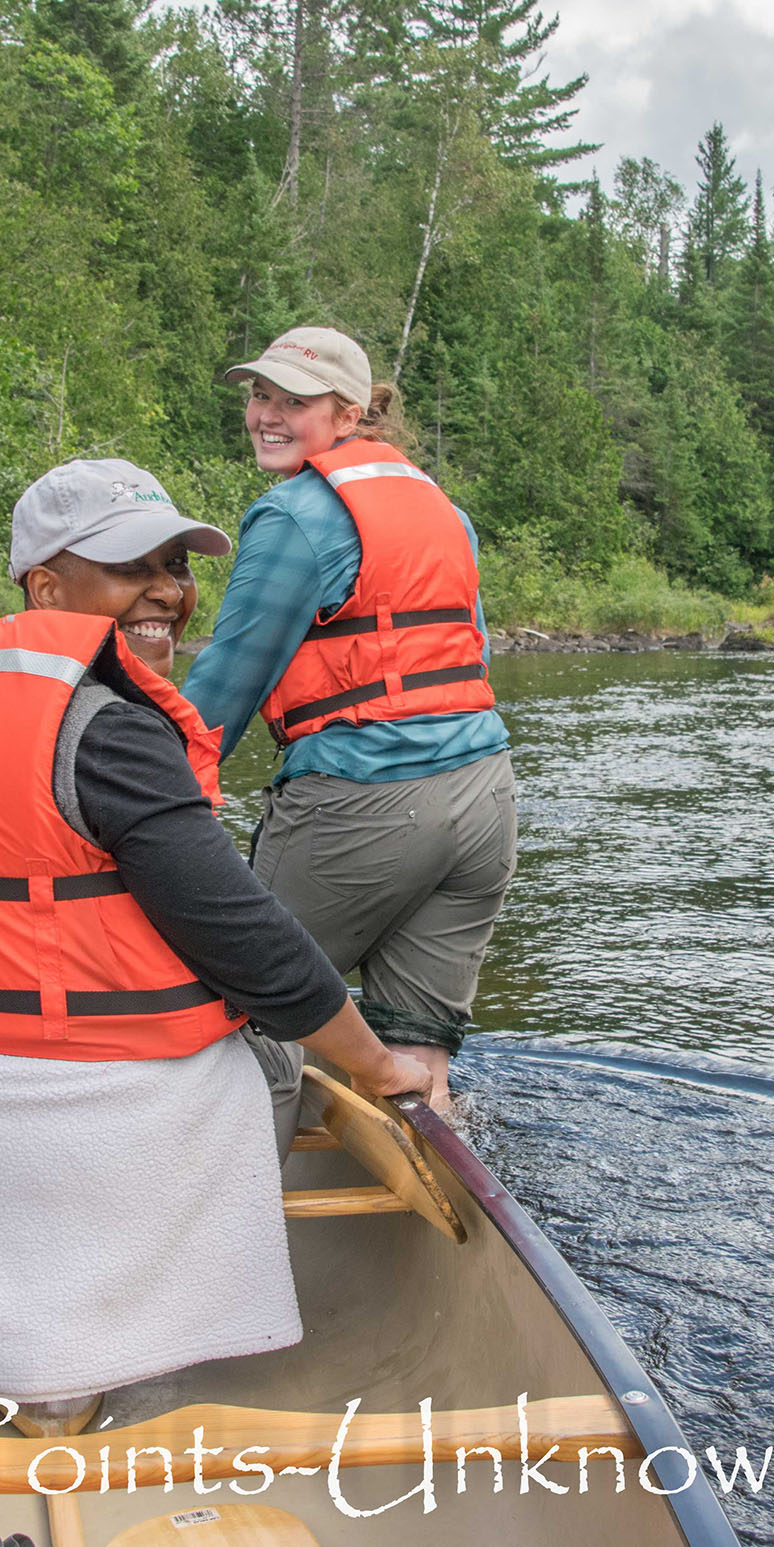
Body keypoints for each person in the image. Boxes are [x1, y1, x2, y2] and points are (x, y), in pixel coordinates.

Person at [0, 457, 425, 1419]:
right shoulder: (114, 734)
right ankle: (144, 1335)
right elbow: (245, 939)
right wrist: (376, 1067)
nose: (168, 589)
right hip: (105, 1102)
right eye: (133, 567)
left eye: (178, 563)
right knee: (282, 1056)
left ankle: (11, 1342)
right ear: (45, 586)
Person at [183, 328, 517, 1109]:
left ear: (349, 412)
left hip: (364, 803)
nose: (266, 413)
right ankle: (423, 1215)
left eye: (293, 401)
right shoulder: (444, 508)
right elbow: (473, 657)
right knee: (414, 1050)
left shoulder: (296, 514)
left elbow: (224, 687)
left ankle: (233, 1218)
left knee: (243, 1009)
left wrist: (147, 804)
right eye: (259, 393)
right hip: (484, 800)